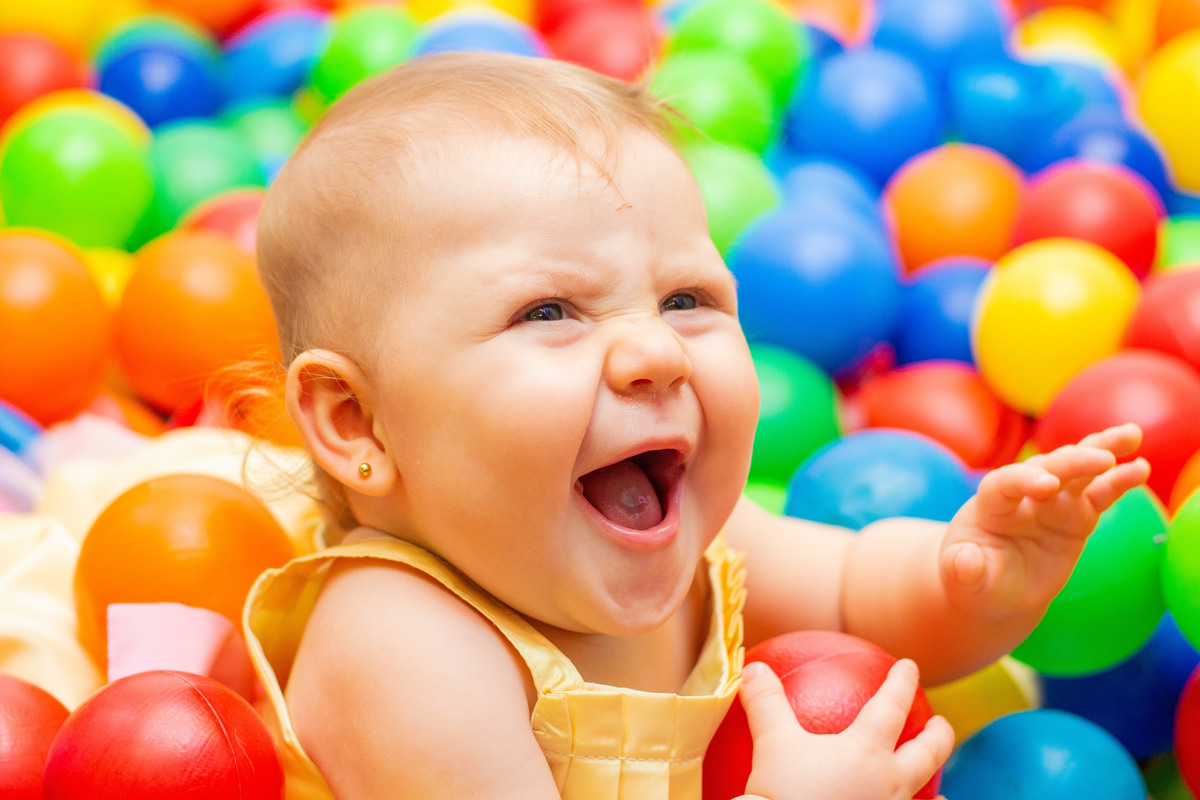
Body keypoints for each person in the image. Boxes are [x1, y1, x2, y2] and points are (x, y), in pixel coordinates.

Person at [242, 51, 1150, 800]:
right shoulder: (403, 647)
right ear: (358, 423)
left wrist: (972, 583)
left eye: (686, 299)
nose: (657, 354)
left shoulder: (687, 545)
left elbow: (855, 599)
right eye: (551, 312)